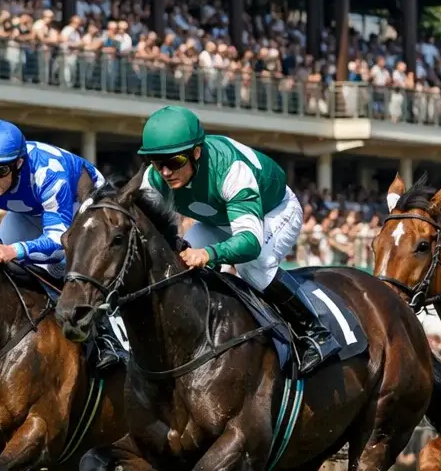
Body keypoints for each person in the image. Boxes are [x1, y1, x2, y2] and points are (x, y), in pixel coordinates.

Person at [137, 105, 330, 374]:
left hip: (273, 211)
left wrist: (209, 254)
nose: (166, 172)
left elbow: (249, 242)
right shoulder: (154, 179)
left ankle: (315, 332)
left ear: (196, 153)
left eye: (175, 162)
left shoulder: (230, 169)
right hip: (219, 220)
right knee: (178, 261)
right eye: (159, 164)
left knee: (254, 264)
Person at [0, 120, 103, 277]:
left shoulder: (48, 174)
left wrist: (15, 250)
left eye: (0, 170)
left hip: (79, 205)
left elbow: (59, 244)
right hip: (29, 210)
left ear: (19, 164)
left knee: (55, 269)